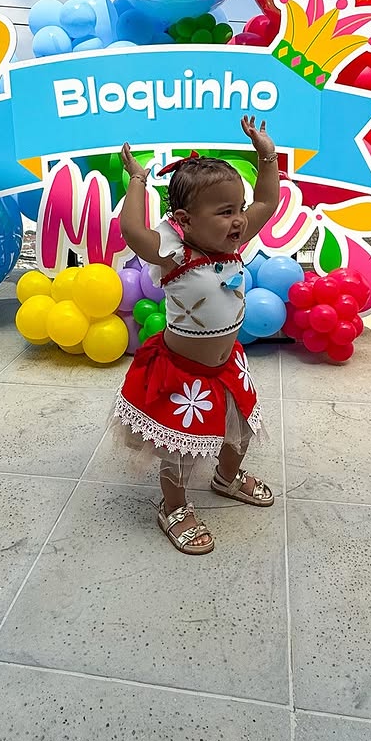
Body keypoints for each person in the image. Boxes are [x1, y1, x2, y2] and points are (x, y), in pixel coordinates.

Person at [116, 116, 280, 555]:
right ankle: (173, 506)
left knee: (241, 431)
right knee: (179, 450)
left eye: (239, 208)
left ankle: (226, 477)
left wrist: (266, 155)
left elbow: (268, 200)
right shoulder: (175, 254)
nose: (240, 220)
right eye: (225, 212)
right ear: (185, 221)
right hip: (183, 374)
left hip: (229, 367)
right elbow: (132, 231)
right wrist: (137, 179)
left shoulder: (232, 244)